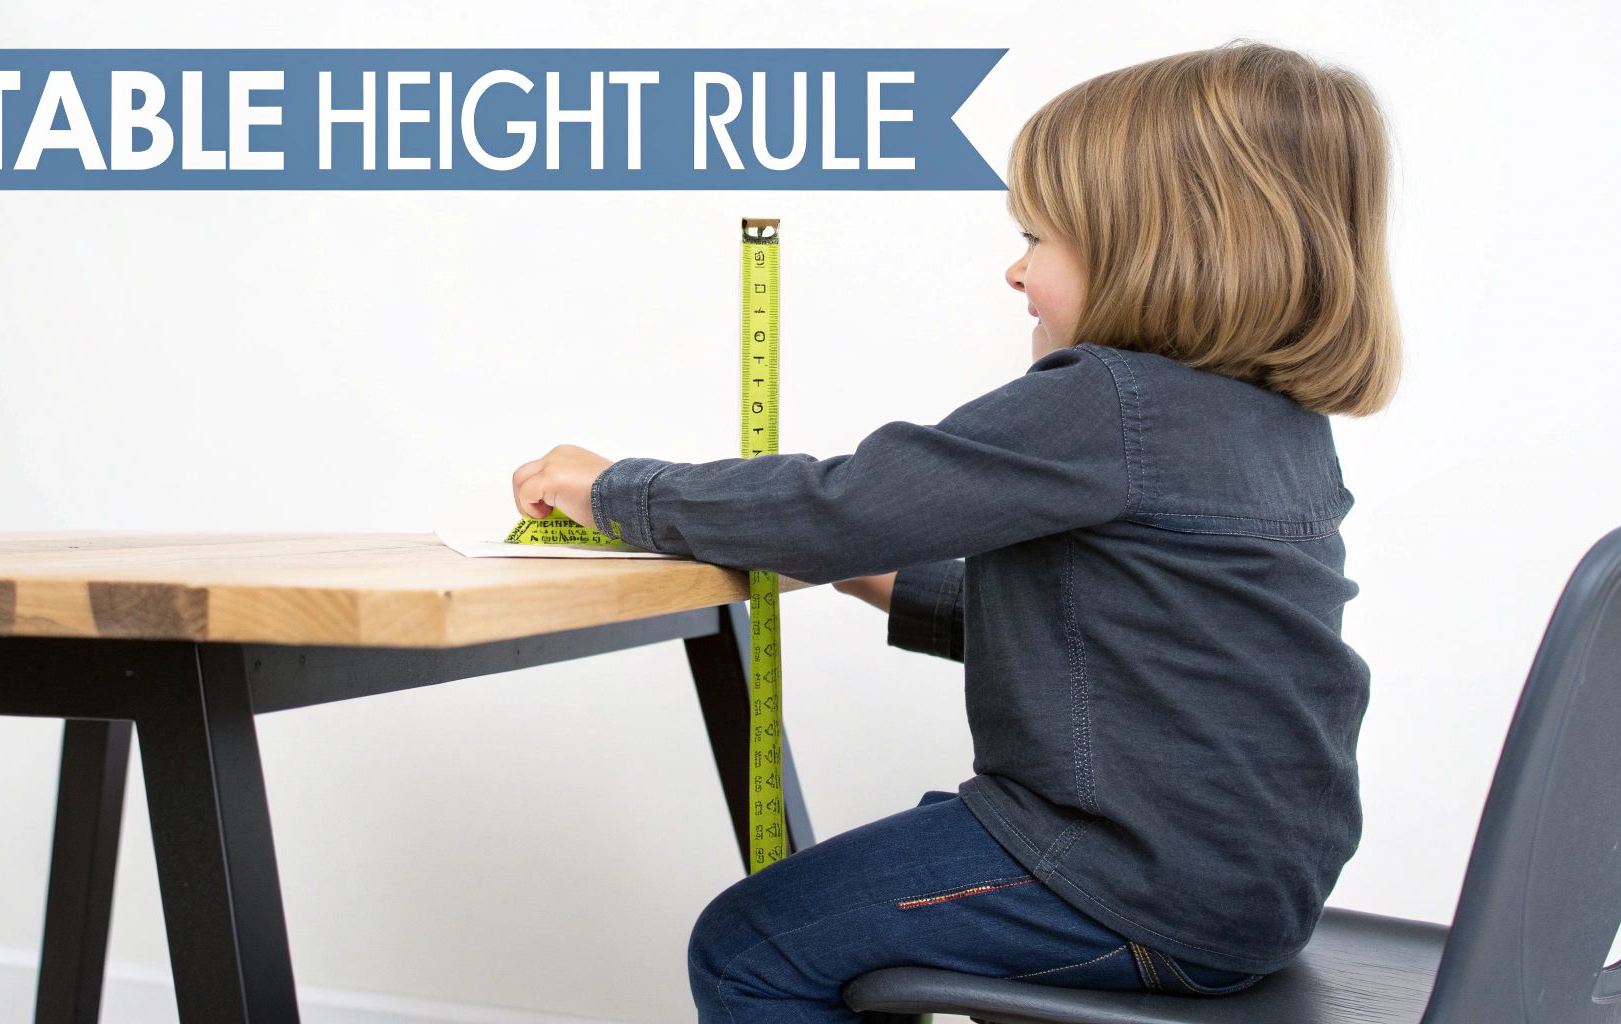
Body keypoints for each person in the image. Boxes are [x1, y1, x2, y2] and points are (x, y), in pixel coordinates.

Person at [511, 38, 1402, 1023]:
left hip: (1126, 880)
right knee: (900, 875)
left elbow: (837, 504)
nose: (1013, 272)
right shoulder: (1271, 425)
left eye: (1037, 237)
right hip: (1242, 890)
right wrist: (871, 575)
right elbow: (1131, 642)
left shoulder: (1105, 401)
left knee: (750, 943)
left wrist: (615, 490)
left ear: (1154, 245)